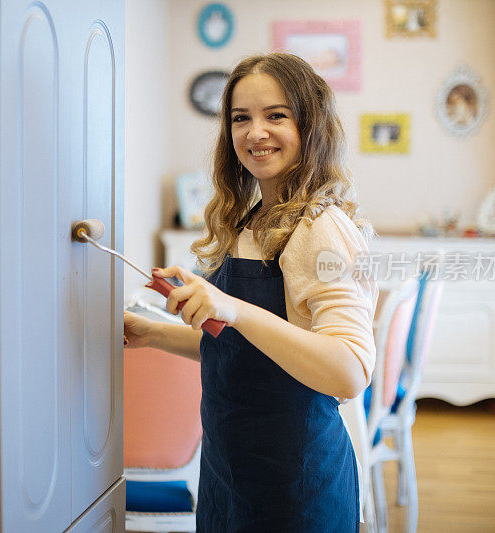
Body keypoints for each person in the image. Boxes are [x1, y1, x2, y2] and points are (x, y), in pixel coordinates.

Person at [124, 53, 378, 532]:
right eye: (241, 118)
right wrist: (148, 333)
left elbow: (349, 371)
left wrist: (234, 308)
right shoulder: (253, 221)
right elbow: (240, 350)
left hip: (293, 484)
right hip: (231, 471)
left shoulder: (320, 228)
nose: (254, 132)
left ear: (312, 125)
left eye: (275, 115)